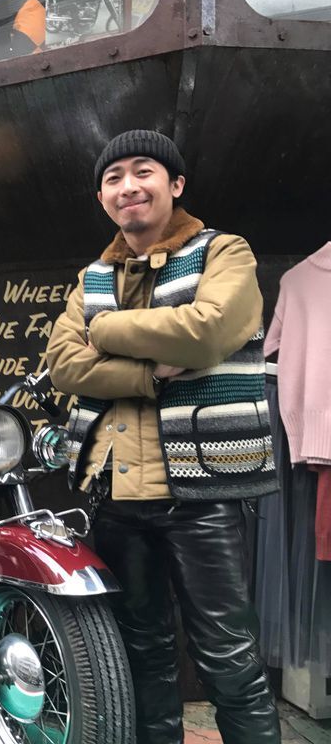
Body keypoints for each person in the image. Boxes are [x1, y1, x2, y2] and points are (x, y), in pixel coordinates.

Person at [45, 130, 281, 743]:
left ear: (175, 184)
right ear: (102, 198)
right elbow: (63, 363)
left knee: (229, 658)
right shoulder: (92, 275)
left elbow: (207, 331)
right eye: (113, 177)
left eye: (142, 171)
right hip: (115, 495)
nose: (128, 186)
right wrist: (149, 373)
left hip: (202, 496)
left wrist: (105, 331)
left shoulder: (224, 251)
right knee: (139, 653)